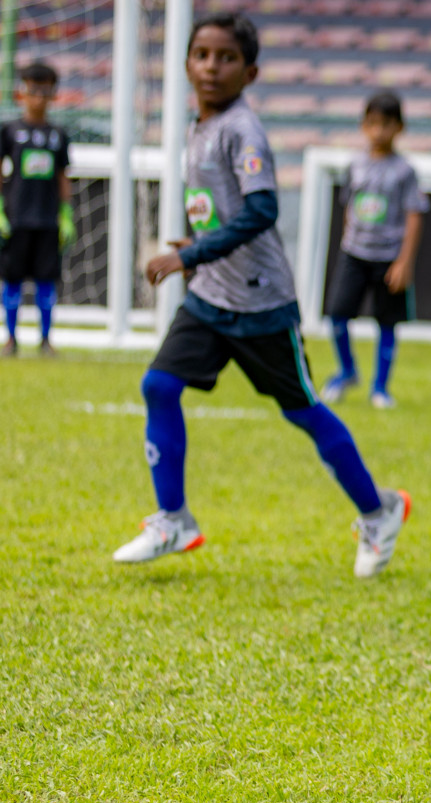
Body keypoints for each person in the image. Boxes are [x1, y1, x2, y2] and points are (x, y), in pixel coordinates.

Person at [114, 13, 409, 579]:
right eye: (201, 54)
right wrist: (196, 242)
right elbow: (220, 210)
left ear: (249, 72)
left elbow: (262, 209)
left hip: (258, 301)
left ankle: (380, 511)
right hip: (210, 296)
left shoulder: (243, 130)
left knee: (303, 412)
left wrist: (188, 255)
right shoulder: (200, 126)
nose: (210, 66)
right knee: (158, 385)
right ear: (185, 64)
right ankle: (173, 519)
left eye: (225, 58)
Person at [321, 90, 430, 410]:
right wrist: (345, 242)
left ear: (399, 128)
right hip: (355, 253)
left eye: (386, 124)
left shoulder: (404, 171)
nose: (378, 131)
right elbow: (349, 207)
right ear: (362, 126)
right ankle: (347, 371)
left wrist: (404, 261)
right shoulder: (354, 165)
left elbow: (414, 214)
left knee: (386, 322)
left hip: (388, 257)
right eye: (372, 124)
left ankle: (380, 388)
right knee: (338, 315)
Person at [0, 62, 74, 358]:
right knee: (12, 279)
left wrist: (66, 214)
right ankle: (11, 339)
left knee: (46, 280)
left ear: (54, 94)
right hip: (16, 218)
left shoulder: (58, 135)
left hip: (47, 219)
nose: (39, 98)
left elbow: (62, 176)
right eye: (34, 91)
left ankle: (45, 340)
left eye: (46, 91)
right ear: (22, 93)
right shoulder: (9, 131)